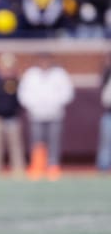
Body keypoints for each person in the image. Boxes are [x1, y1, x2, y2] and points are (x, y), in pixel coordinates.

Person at [18, 53, 74, 181]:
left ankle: (53, 166)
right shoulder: (31, 74)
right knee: (37, 141)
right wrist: (33, 105)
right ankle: (37, 166)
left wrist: (55, 103)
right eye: (42, 60)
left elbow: (67, 92)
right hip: (36, 114)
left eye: (47, 60)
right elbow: (24, 93)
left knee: (54, 141)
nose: (44, 63)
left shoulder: (59, 74)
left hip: (55, 114)